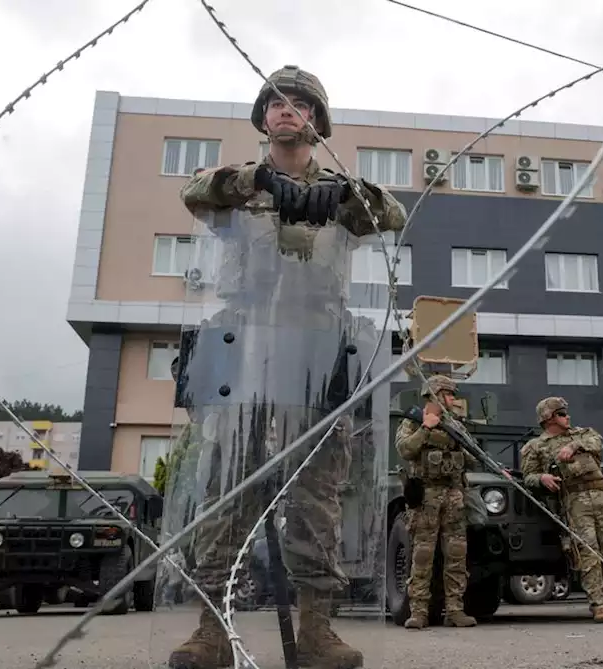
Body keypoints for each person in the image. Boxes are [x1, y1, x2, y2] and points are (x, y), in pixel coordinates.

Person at [167, 65, 407, 669]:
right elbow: (196, 194)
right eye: (275, 102)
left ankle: (319, 630)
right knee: (227, 488)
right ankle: (209, 629)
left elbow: (394, 217)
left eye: (299, 103)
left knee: (318, 496)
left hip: (319, 349)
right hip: (244, 346)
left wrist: (349, 194)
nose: (285, 110)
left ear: (317, 121)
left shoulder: (341, 189)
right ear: (264, 118)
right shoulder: (237, 185)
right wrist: (260, 183)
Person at [521, 397, 603, 623]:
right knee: (588, 552)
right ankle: (599, 604)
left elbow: (597, 442)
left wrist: (573, 445)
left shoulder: (583, 434)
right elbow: (527, 476)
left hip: (602, 496)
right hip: (574, 500)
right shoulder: (535, 446)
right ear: (549, 418)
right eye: (561, 414)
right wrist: (542, 478)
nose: (567, 417)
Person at [393, 375, 477, 630]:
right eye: (449, 394)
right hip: (426, 495)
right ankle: (418, 612)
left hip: (453, 494)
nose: (453, 399)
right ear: (436, 395)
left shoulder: (456, 425)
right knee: (422, 555)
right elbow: (405, 450)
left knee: (456, 554)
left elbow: (473, 458)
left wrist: (460, 447)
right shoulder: (412, 421)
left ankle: (455, 610)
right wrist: (425, 428)